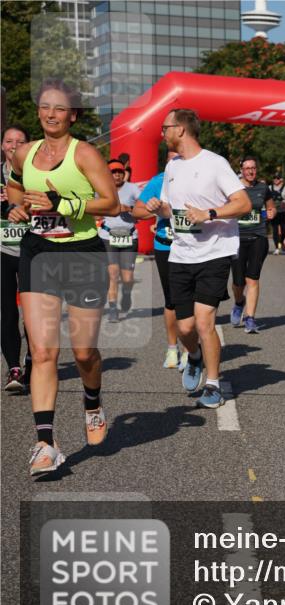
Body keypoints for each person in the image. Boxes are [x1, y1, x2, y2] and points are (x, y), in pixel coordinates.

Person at [6, 79, 121, 475]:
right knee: (42, 352)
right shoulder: (24, 153)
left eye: (59, 109)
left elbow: (113, 202)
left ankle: (92, 400)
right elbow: (15, 187)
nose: (50, 114)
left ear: (73, 115)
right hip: (38, 253)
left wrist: (64, 202)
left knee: (84, 353)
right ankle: (44, 442)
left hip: (81, 253)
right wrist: (16, 208)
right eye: (44, 106)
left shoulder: (85, 154)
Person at [143, 108, 251, 409]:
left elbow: (242, 202)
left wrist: (210, 213)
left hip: (214, 252)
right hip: (181, 253)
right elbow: (170, 208)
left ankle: (214, 383)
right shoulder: (174, 167)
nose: (162, 133)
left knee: (205, 323)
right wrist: (159, 208)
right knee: (185, 328)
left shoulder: (215, 164)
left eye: (165, 127)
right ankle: (194, 356)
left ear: (180, 130)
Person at [133, 150, 187, 369]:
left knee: (191, 301)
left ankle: (189, 350)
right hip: (165, 246)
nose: (175, 162)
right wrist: (154, 211)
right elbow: (137, 210)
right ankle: (172, 348)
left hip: (193, 248)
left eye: (179, 158)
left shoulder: (197, 180)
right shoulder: (158, 182)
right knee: (172, 300)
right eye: (171, 159)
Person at [230, 156, 275, 334]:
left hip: (258, 236)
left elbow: (270, 207)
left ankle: (250, 318)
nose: (250, 171)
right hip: (237, 238)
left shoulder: (263, 188)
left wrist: (271, 213)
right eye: (247, 168)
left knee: (253, 279)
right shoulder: (233, 188)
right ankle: (239, 302)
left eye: (253, 168)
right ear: (241, 169)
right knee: (238, 282)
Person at [2, 124, 30, 393]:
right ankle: (13, 367)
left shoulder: (34, 174)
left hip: (31, 250)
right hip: (2, 251)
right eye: (8, 141)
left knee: (33, 315)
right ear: (2, 146)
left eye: (19, 141)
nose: (13, 145)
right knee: (7, 313)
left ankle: (33, 361)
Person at [97, 159, 141, 322]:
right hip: (108, 237)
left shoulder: (132, 188)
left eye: (119, 172)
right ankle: (113, 308)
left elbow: (143, 208)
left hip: (129, 236)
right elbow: (94, 210)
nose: (116, 175)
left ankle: (127, 295)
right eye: (113, 172)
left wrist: (129, 209)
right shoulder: (101, 189)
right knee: (113, 274)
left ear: (124, 174)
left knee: (128, 278)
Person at [269, 173, 285, 254]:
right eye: (274, 178)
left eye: (277, 178)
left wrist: (284, 202)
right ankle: (276, 248)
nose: (275, 179)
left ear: (281, 179)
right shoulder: (269, 188)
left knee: (284, 231)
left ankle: (282, 242)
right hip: (274, 212)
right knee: (275, 230)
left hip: (283, 212)